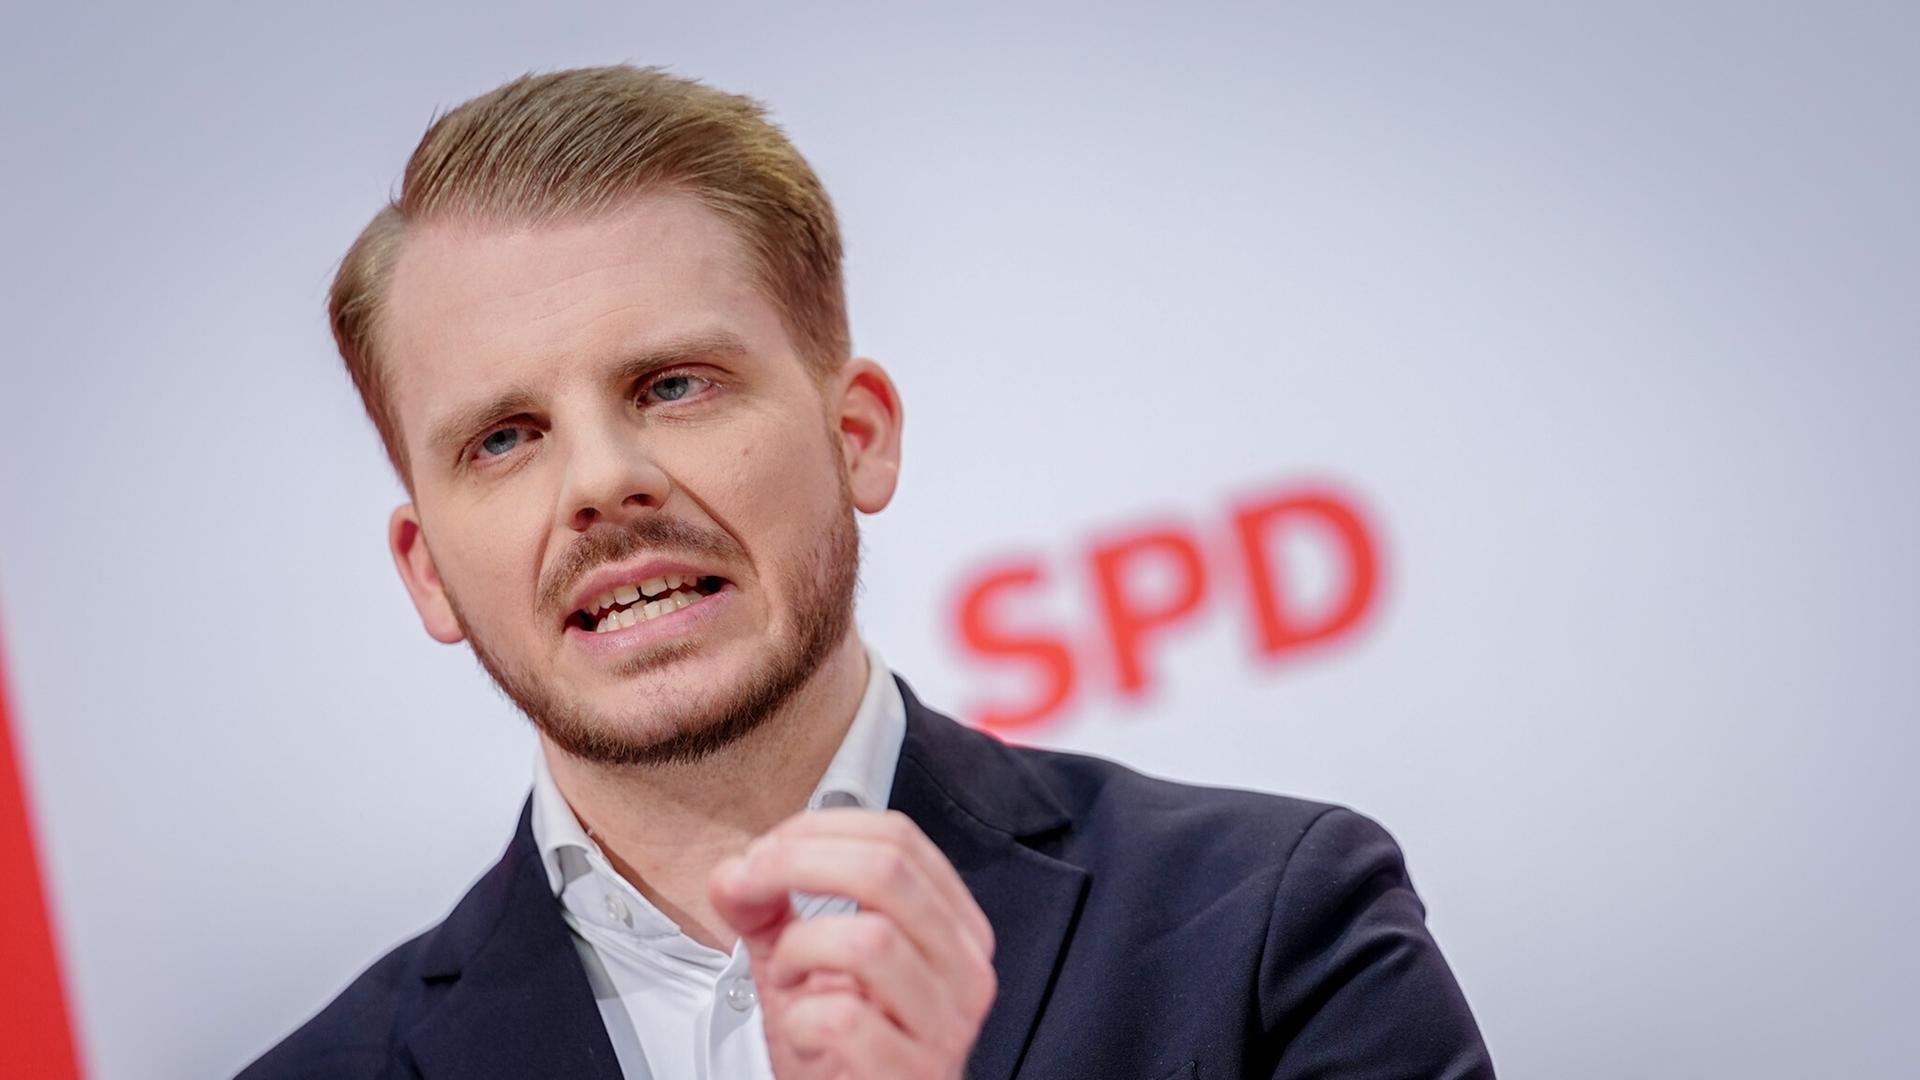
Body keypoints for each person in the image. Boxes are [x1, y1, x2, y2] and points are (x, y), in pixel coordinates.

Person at [239, 65, 1494, 1080]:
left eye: (672, 385)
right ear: (428, 573)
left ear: (859, 437)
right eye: (504, 440)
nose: (600, 483)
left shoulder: (1272, 928)